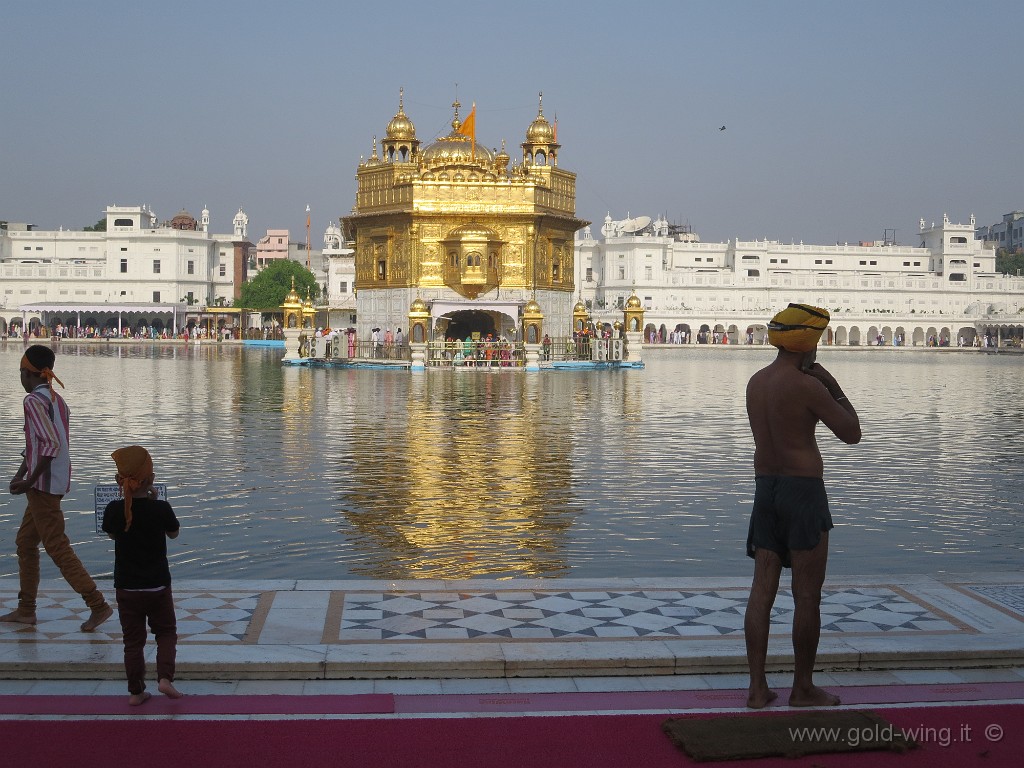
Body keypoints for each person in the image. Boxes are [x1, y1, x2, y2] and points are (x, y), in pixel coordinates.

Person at [743, 304, 861, 709]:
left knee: (762, 590)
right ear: (809, 344)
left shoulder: (756, 382)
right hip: (803, 492)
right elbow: (852, 432)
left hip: (765, 490)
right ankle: (803, 687)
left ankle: (758, 689)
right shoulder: (808, 386)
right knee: (807, 596)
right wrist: (833, 385)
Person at [1, 346, 113, 632]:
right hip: (53, 481)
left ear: (28, 373)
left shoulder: (32, 402)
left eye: (21, 373)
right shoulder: (57, 400)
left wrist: (27, 480)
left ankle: (97, 604)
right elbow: (37, 446)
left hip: (43, 484)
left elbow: (49, 446)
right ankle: (26, 609)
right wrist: (20, 474)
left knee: (57, 546)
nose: (21, 378)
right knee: (25, 543)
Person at [102, 446, 183, 706]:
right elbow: (173, 533)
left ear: (119, 480)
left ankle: (136, 691)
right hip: (157, 585)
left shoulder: (114, 510)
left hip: (126, 587)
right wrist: (154, 501)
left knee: (133, 641)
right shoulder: (160, 508)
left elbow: (114, 534)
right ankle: (165, 679)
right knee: (166, 633)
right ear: (151, 480)